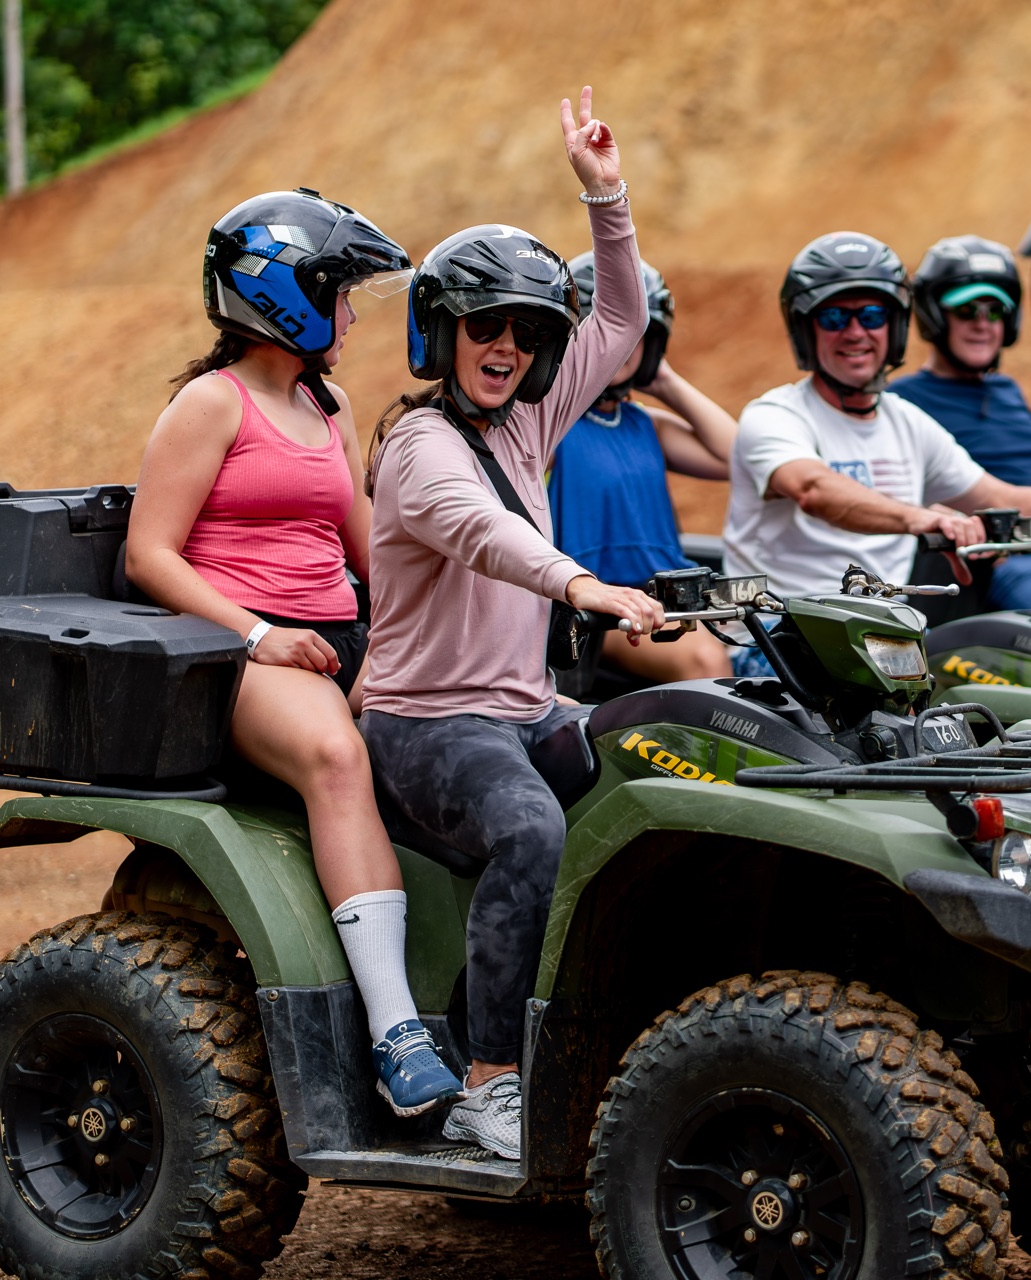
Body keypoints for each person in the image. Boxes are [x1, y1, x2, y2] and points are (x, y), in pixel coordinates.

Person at [358, 88, 662, 1162]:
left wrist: (605, 196)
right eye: (485, 325)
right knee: (528, 827)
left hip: (523, 706)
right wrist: (582, 585)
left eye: (529, 332)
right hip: (421, 721)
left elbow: (619, 324)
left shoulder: (530, 415)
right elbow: (480, 530)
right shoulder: (418, 449)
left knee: (661, 755)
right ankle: (489, 1083)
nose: (506, 346)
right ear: (441, 331)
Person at [125, 190, 464, 1117]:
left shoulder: (330, 399)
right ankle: (399, 1036)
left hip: (333, 634)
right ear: (286, 297)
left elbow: (367, 544)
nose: (354, 316)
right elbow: (148, 552)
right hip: (238, 649)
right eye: (341, 295)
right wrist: (260, 634)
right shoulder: (210, 403)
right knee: (336, 755)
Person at [722, 231, 1031, 675]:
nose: (856, 333)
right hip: (782, 637)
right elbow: (813, 488)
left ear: (895, 327)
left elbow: (999, 496)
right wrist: (921, 517)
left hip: (890, 643)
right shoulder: (775, 414)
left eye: (872, 316)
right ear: (806, 329)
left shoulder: (907, 422)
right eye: (833, 317)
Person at [547, 254, 733, 681]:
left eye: (635, 332)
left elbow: (738, 455)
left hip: (671, 599)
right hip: (598, 608)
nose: (621, 343)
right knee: (704, 661)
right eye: (607, 328)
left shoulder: (645, 424)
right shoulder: (549, 427)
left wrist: (663, 378)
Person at [890, 235, 1031, 611]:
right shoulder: (905, 400)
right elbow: (898, 492)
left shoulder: (1006, 389)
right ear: (935, 315)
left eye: (996, 310)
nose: (983, 323)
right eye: (967, 310)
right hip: (1011, 560)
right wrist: (951, 518)